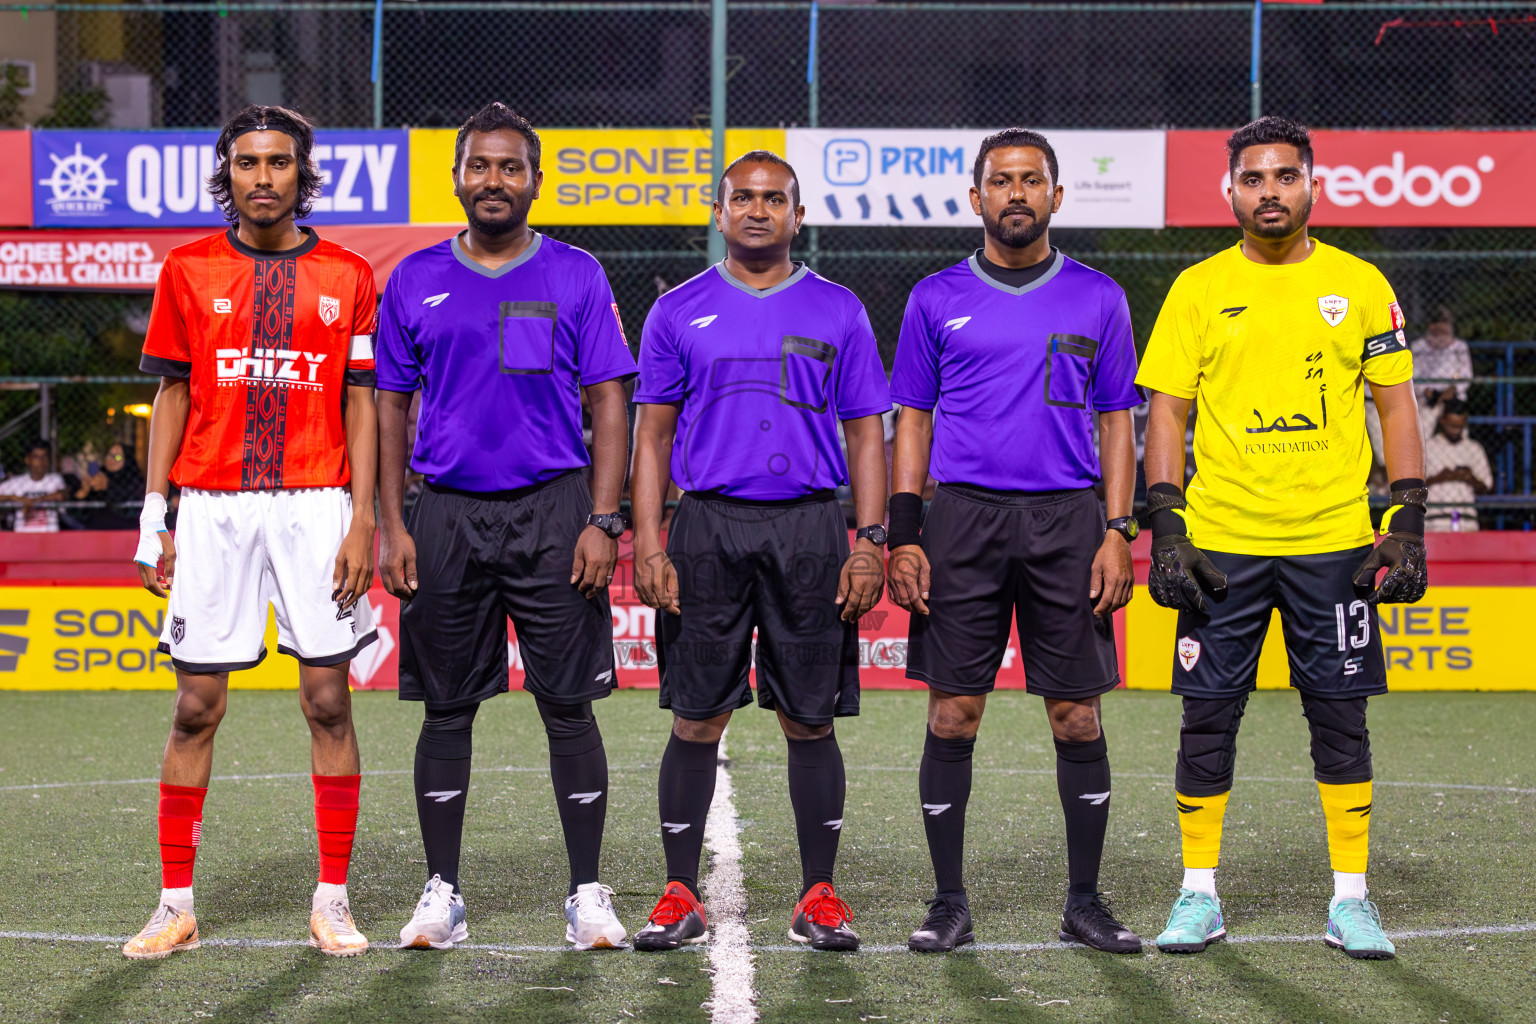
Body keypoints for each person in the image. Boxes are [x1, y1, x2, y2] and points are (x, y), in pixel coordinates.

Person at [1137, 116, 1427, 961]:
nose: (1271, 192)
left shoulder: (1361, 283)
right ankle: (1198, 896)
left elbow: (1396, 403)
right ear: (1229, 192)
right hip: (1223, 542)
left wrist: (1404, 516)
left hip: (1334, 542)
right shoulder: (1196, 288)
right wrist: (1166, 520)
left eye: (1285, 177)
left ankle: (1351, 901)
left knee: (1340, 718)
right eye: (1254, 179)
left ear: (1312, 185)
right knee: (1207, 718)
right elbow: (1167, 409)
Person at [374, 102, 637, 952]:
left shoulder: (576, 273)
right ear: (458, 177)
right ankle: (441, 893)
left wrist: (604, 519)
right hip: (446, 512)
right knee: (446, 712)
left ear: (534, 179)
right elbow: (388, 407)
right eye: (480, 166)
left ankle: (587, 894)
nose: (494, 180)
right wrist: (392, 521)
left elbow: (610, 402)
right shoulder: (413, 278)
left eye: (510, 167)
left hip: (556, 511)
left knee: (569, 708)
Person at [124, 104, 380, 959]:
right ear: (225, 172)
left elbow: (361, 399)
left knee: (328, 699)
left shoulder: (348, 273)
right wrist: (153, 518)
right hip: (214, 505)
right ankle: (174, 904)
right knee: (195, 707)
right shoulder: (188, 269)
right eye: (246, 162)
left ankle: (334, 900)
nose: (262, 177)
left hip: (316, 502)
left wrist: (364, 518)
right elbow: (172, 396)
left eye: (278, 163)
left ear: (302, 174)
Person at [885, 128, 1143, 955]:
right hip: (962, 519)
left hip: (1070, 522)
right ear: (977, 198)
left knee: (1075, 715)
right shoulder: (933, 297)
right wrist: (905, 532)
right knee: (954, 712)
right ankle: (949, 902)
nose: (1018, 194)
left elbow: (1117, 424)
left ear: (1057, 197)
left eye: (1033, 180)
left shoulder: (1099, 297)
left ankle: (1084, 901)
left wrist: (1116, 529)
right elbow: (912, 421)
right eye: (1002, 181)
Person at [629, 150, 889, 953]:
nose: (756, 210)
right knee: (696, 716)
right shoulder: (678, 311)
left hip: (810, 528)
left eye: (774, 199)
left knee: (809, 722)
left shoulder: (840, 309)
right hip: (706, 527)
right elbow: (653, 435)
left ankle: (819, 895)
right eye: (742, 197)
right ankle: (679, 892)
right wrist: (648, 539)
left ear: (797, 216)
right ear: (719, 213)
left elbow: (866, 436)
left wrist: (870, 540)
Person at [1423, 399, 1491, 532]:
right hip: (1435, 519)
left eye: (1460, 427)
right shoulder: (1427, 447)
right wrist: (1439, 477)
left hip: (1467, 519)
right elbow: (1413, 485)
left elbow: (1486, 486)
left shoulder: (1473, 448)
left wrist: (1469, 478)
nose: (1456, 431)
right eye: (1452, 426)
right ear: (1442, 420)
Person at [1411, 307, 1472, 439]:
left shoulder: (1459, 347)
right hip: (1428, 398)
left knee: (1460, 432)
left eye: (1444, 323)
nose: (1440, 328)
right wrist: (1424, 390)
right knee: (1423, 432)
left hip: (1453, 398)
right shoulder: (1419, 346)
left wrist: (1453, 388)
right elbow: (1413, 374)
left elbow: (1466, 374)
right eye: (1436, 323)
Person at [0, 440, 66, 532]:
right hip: (23, 535)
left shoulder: (55, 479)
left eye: (45, 457)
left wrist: (33, 502)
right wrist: (16, 498)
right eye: (36, 457)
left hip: (49, 535)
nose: (41, 461)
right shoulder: (17, 482)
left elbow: (60, 495)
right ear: (27, 459)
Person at [80, 442, 146, 529]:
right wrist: (83, 491)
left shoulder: (135, 480)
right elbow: (80, 513)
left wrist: (107, 485)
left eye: (118, 457)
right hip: (96, 533)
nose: (112, 459)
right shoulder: (99, 476)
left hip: (128, 531)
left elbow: (131, 510)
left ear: (127, 459)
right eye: (109, 455)